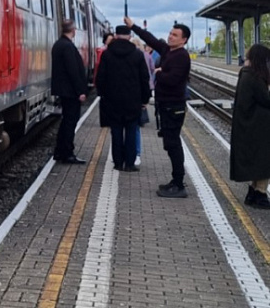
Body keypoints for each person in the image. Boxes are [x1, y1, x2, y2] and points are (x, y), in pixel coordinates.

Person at [124, 16, 191, 198]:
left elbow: (173, 80)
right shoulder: (168, 51)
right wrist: (134, 27)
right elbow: (150, 39)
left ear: (184, 40)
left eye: (175, 35)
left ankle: (179, 184)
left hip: (174, 107)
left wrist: (159, 73)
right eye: (170, 33)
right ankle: (175, 181)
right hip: (166, 106)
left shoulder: (182, 57)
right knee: (169, 144)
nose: (170, 37)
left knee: (173, 144)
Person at [96, 26, 150, 172]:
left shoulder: (107, 54)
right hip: (133, 100)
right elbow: (144, 78)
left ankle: (118, 162)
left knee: (116, 131)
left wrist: (102, 94)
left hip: (112, 100)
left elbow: (100, 77)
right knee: (132, 131)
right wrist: (145, 99)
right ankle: (130, 163)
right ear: (129, 35)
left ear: (115, 35)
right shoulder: (137, 54)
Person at [230, 44, 270, 209]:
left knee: (259, 161)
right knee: (265, 161)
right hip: (258, 128)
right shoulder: (254, 78)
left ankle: (254, 192)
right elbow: (266, 100)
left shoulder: (246, 74)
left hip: (252, 126)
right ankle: (260, 194)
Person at [51, 19, 88, 163]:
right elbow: (73, 71)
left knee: (66, 121)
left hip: (65, 90)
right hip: (70, 91)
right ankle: (67, 153)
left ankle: (60, 151)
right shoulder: (67, 46)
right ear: (73, 30)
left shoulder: (59, 44)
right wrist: (80, 91)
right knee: (70, 122)